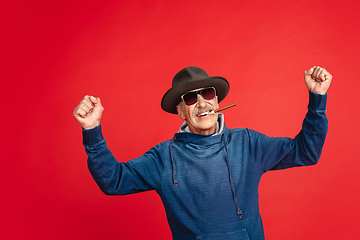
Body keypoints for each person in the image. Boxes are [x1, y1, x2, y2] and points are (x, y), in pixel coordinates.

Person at [73, 66, 332, 240]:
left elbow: (306, 152)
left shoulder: (248, 143)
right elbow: (113, 181)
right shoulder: (164, 158)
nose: (201, 103)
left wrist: (317, 99)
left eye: (207, 94)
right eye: (190, 98)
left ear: (217, 102)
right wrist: (92, 129)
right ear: (179, 110)